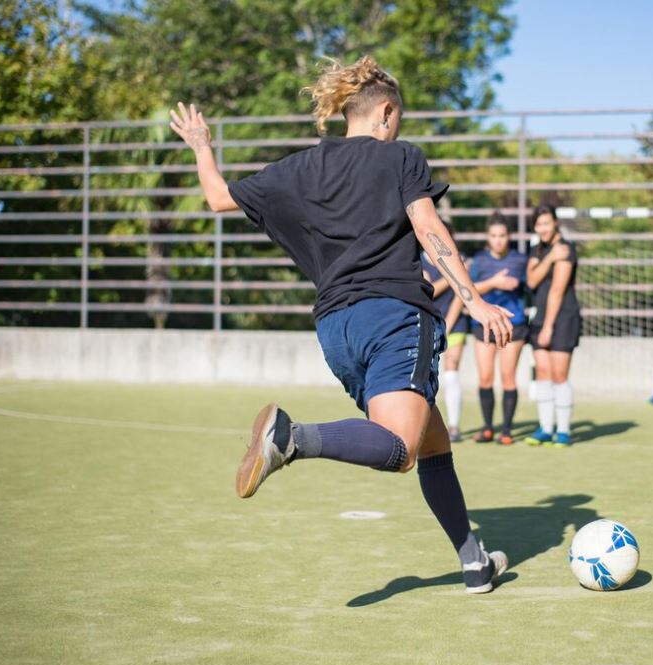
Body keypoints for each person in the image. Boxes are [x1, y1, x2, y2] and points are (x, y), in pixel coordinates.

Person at [168, 55, 514, 594]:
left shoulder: (300, 169)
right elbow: (427, 226)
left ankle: (474, 561)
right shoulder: (401, 157)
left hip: (336, 330)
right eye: (397, 118)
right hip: (394, 315)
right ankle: (292, 438)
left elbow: (217, 198)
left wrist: (201, 145)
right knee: (400, 447)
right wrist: (473, 301)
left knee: (433, 441)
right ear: (386, 112)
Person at [467, 212, 529, 445]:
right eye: (494, 236)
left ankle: (506, 430)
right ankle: (487, 428)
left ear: (509, 236)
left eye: (502, 235)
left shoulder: (519, 260)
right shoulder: (479, 261)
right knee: (485, 377)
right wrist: (493, 283)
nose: (498, 240)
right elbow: (470, 291)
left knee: (508, 377)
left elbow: (529, 285)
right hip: (483, 325)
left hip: (513, 325)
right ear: (488, 237)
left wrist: (515, 285)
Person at [524, 205, 580, 448]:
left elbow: (557, 290)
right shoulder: (539, 250)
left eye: (547, 223)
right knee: (543, 374)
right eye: (539, 224)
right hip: (538, 319)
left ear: (555, 223)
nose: (543, 228)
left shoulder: (566, 249)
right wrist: (549, 257)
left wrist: (548, 327)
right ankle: (546, 428)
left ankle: (564, 430)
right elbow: (532, 280)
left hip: (563, 319)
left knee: (559, 375)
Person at [422, 222, 472, 443]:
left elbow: (463, 296)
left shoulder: (460, 260)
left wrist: (448, 323)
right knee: (425, 377)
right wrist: (452, 274)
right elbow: (427, 291)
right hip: (428, 323)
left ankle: (454, 426)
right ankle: (422, 424)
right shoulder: (418, 259)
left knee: (451, 373)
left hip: (455, 324)